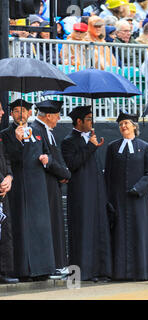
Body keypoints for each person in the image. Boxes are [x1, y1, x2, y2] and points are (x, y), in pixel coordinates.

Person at [0, 99, 55, 281]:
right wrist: (16, 140)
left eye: (23, 110)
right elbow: (9, 158)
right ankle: (23, 270)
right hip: (18, 187)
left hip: (37, 188)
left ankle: (43, 269)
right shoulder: (6, 134)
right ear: (11, 114)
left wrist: (47, 159)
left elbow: (48, 153)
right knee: (20, 227)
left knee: (40, 228)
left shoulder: (38, 132)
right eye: (16, 111)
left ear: (29, 113)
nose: (20, 114)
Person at [104, 111, 148, 281]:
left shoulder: (145, 147)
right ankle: (119, 273)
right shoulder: (112, 147)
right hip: (118, 201)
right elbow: (108, 176)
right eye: (120, 124)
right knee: (119, 236)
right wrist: (108, 199)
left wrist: (138, 188)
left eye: (126, 123)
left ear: (134, 126)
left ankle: (141, 272)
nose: (123, 126)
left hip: (138, 201)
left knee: (139, 234)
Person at [61, 106, 112, 282]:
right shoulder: (69, 141)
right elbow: (73, 164)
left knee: (98, 230)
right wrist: (90, 146)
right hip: (81, 195)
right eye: (89, 119)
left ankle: (100, 270)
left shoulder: (92, 139)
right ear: (79, 121)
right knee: (83, 232)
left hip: (97, 193)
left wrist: (92, 145)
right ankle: (83, 272)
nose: (92, 122)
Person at [30, 100, 71, 276]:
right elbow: (44, 159)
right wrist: (63, 173)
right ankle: (53, 265)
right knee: (50, 225)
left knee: (56, 224)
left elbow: (54, 158)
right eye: (57, 115)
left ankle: (59, 263)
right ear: (48, 116)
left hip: (53, 183)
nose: (59, 118)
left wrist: (64, 173)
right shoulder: (37, 130)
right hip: (44, 186)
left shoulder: (46, 130)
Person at [0, 102, 17, 284]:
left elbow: (6, 160)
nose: (3, 112)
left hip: (3, 190)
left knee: (4, 232)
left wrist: (9, 177)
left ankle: (3, 271)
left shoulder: (1, 138)